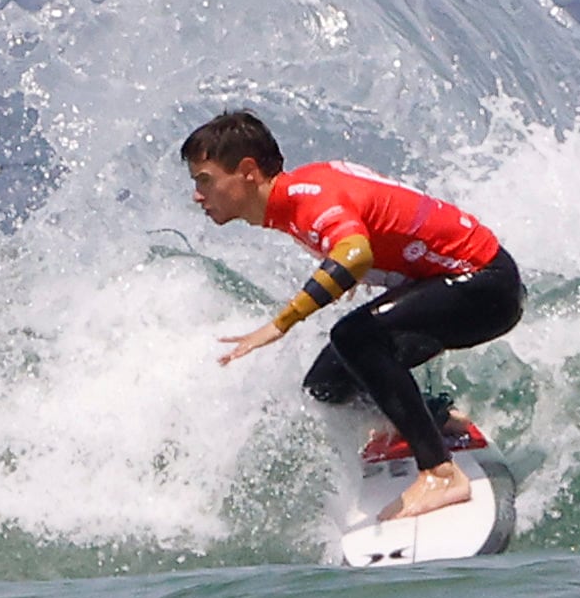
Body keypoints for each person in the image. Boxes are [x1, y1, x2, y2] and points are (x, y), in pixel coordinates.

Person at [180, 109, 526, 521]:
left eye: (205, 180)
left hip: (485, 287)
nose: (198, 196)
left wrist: (280, 324)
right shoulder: (303, 189)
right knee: (326, 385)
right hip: (456, 282)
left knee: (355, 337)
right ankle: (437, 420)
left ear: (248, 171)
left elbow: (355, 252)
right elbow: (375, 207)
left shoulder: (307, 202)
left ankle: (440, 472)